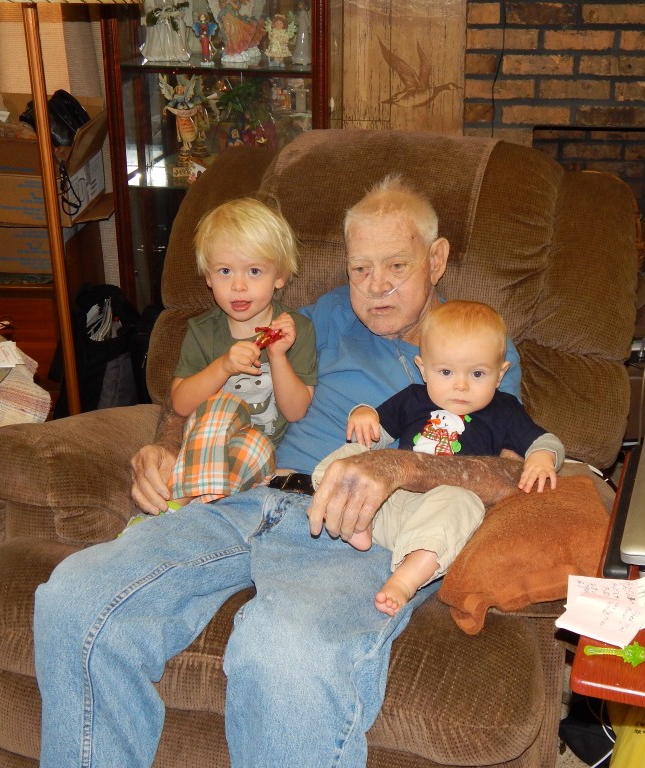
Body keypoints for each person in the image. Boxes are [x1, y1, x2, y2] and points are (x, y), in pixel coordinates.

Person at [33, 174, 531, 768]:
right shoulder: (319, 317)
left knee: (280, 649)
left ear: (438, 258)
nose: (375, 287)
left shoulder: (477, 348)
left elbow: (510, 475)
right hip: (248, 497)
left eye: (396, 266)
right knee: (76, 596)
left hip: (359, 527)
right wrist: (164, 443)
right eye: (360, 269)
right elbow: (203, 384)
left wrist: (400, 465)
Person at [314, 299, 564, 616]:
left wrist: (542, 456)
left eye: (477, 373)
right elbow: (374, 432)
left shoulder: (504, 411)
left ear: (500, 375)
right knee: (349, 457)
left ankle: (405, 580)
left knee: (464, 501)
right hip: (386, 499)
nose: (461, 385)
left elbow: (545, 440)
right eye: (445, 371)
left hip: (438, 516)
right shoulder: (413, 398)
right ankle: (356, 525)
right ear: (423, 369)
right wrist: (363, 413)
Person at [166, 197, 316, 506]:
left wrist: (277, 356)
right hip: (204, 443)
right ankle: (186, 510)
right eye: (225, 271)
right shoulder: (203, 331)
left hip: (260, 456)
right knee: (223, 406)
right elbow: (180, 404)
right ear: (208, 277)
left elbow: (295, 411)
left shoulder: (296, 329)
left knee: (253, 444)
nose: (238, 286)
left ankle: (182, 512)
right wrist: (223, 366)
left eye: (254, 271)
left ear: (279, 277)